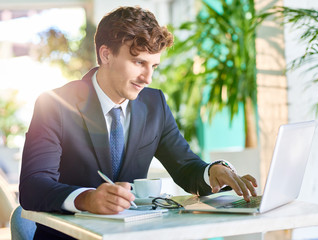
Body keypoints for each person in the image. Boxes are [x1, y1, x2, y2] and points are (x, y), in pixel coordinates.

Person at [19, 6, 257, 239]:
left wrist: (211, 172)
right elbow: (33, 186)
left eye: (153, 66)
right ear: (106, 55)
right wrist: (87, 199)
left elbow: (184, 167)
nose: (148, 78)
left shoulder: (155, 105)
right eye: (138, 63)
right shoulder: (55, 105)